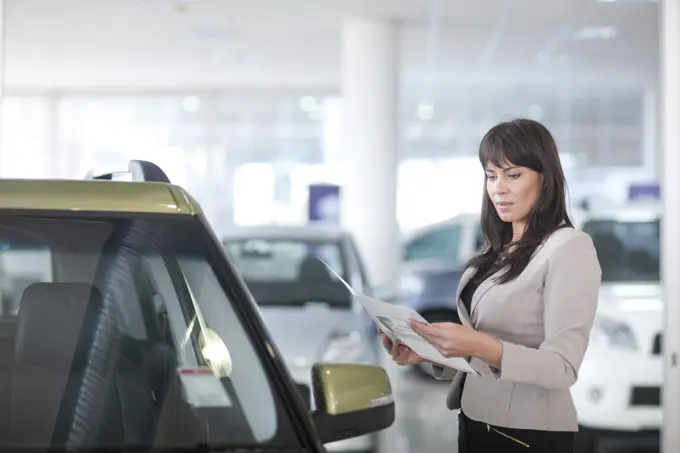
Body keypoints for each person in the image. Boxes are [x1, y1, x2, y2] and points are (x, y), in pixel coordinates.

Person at [379, 118, 601, 453]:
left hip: (527, 434)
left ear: (546, 179)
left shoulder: (569, 247)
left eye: (513, 175)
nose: (499, 187)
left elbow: (562, 367)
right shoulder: (498, 248)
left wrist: (481, 344)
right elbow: (481, 343)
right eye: (491, 175)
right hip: (476, 419)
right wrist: (430, 350)